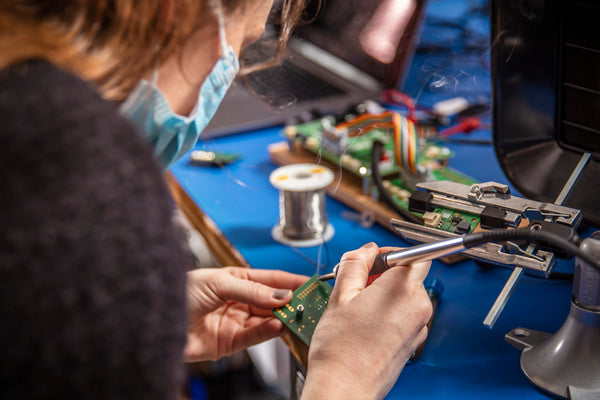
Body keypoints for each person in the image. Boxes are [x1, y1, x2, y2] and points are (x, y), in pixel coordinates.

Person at [0, 1, 432, 399]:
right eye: (242, 46)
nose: (228, 80)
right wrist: (348, 376)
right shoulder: (72, 177)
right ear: (177, 11)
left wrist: (129, 324)